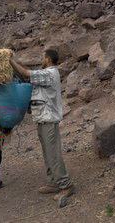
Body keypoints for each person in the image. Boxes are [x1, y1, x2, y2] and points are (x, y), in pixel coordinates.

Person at [9, 49, 74, 201]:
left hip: (48, 119)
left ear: (49, 59)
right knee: (47, 152)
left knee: (53, 153)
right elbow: (28, 80)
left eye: (43, 57)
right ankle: (53, 182)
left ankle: (66, 185)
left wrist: (9, 60)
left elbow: (25, 73)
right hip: (42, 118)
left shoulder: (50, 73)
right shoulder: (46, 74)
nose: (41, 59)